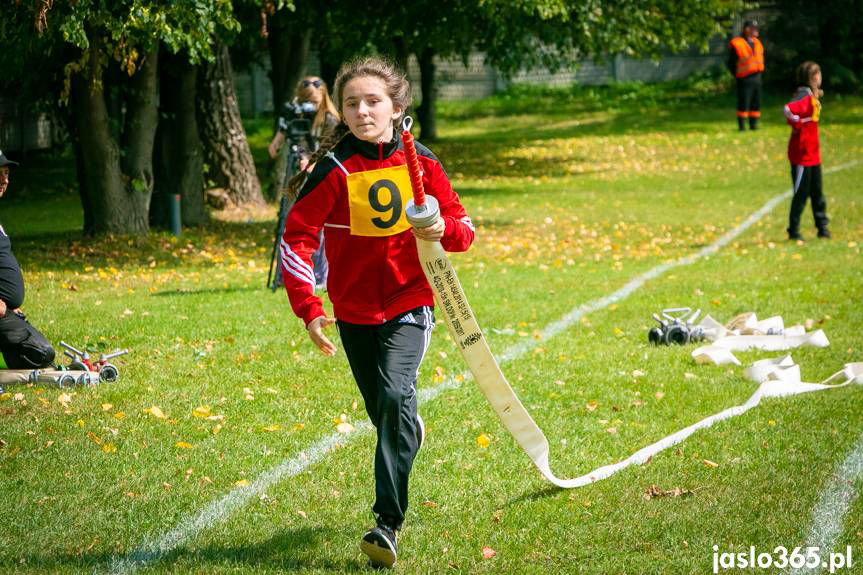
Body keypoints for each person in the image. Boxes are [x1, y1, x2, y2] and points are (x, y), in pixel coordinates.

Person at [279, 57, 474, 569]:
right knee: (387, 413)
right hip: (354, 312)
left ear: (396, 107)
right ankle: (408, 428)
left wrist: (439, 229)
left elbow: (464, 229)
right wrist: (309, 307)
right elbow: (297, 237)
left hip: (412, 302)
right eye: (352, 103)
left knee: (392, 394)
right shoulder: (335, 168)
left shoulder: (422, 162)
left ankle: (387, 524)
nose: (363, 111)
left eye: (373, 101)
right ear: (340, 112)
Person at [269, 76, 340, 288]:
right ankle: (286, 274)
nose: (312, 106)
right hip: (299, 175)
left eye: (315, 101)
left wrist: (311, 160)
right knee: (291, 220)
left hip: (322, 174)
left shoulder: (331, 120)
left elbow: (330, 147)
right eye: (307, 101)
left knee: (319, 224)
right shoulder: (295, 116)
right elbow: (283, 141)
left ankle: (320, 275)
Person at [0, 151, 55, 369]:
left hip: (7, 310)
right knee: (39, 353)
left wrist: (10, 303)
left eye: (6, 173)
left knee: (40, 353)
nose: (4, 180)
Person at [783, 61, 830, 241]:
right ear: (812, 77)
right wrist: (799, 123)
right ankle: (793, 231)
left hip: (813, 154)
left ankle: (822, 228)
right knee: (801, 194)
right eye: (818, 74)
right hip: (801, 155)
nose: (820, 77)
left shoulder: (812, 95)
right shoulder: (803, 96)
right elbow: (788, 109)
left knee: (818, 193)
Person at [727, 20, 764, 131]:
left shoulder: (757, 43)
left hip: (757, 77)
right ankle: (742, 126)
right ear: (747, 29)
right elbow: (731, 63)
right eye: (754, 28)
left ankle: (754, 125)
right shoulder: (737, 43)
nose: (756, 30)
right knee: (743, 102)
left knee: (756, 102)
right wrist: (737, 74)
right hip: (744, 78)